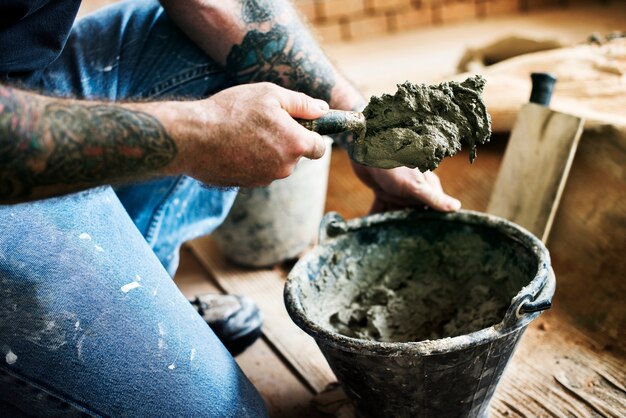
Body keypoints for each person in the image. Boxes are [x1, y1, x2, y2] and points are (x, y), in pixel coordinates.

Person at [0, 0, 461, 415]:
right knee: (225, 412)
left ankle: (141, 285)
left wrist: (366, 132)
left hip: (26, 80)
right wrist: (193, 134)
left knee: (246, 55)